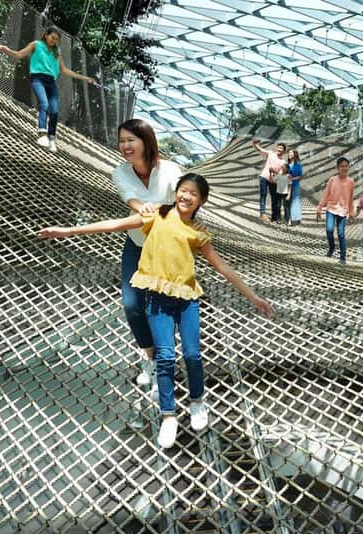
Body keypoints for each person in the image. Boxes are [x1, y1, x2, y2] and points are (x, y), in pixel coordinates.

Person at [39, 174, 275, 449]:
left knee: (192, 354)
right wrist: (68, 231)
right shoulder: (156, 215)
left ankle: (197, 401)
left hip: (187, 299)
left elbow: (222, 267)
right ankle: (168, 416)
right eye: (183, 190)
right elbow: (115, 225)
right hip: (158, 299)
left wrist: (253, 297)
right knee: (164, 356)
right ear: (176, 192)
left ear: (202, 201)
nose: (186, 196)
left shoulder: (197, 232)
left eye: (193, 194)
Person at [111, 119, 185, 390]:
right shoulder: (120, 172)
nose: (125, 146)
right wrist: (141, 207)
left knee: (162, 305)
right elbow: (129, 197)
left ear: (146, 140)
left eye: (131, 140)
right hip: (137, 243)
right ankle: (151, 357)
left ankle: (165, 360)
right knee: (132, 303)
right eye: (122, 141)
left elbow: (184, 198)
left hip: (166, 246)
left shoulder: (169, 170)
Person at [0, 28, 95, 153]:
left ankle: (51, 138)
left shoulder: (56, 52)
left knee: (54, 111)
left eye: (56, 39)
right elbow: (19, 54)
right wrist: (6, 50)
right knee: (44, 104)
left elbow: (64, 70)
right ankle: (42, 134)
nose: (54, 41)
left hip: (51, 81)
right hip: (38, 78)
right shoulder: (36, 45)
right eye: (52, 37)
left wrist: (84, 78)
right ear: (46, 35)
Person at [315, 157, 355, 265]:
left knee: (341, 233)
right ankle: (332, 247)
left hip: (343, 210)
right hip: (331, 209)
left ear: (348, 167)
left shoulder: (351, 181)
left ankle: (343, 257)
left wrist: (351, 213)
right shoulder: (332, 180)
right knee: (329, 229)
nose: (344, 168)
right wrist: (319, 208)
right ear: (337, 168)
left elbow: (351, 199)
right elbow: (325, 195)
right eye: (342, 166)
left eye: (346, 166)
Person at [251, 139, 286, 222]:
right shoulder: (270, 153)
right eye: (278, 147)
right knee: (263, 195)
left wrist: (275, 171)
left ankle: (274, 216)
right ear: (276, 148)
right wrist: (255, 144)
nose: (279, 149)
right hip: (264, 177)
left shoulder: (283, 162)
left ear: (284, 151)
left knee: (274, 198)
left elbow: (281, 173)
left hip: (273, 181)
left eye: (281, 148)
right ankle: (262, 213)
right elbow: (260, 149)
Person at [287, 149, 303, 225]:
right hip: (287, 185)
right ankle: (289, 218)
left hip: (295, 185)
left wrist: (292, 178)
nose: (289, 154)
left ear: (294, 154)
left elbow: (300, 176)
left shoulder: (298, 165)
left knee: (295, 202)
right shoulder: (287, 164)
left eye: (291, 153)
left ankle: (295, 218)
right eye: (288, 153)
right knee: (287, 202)